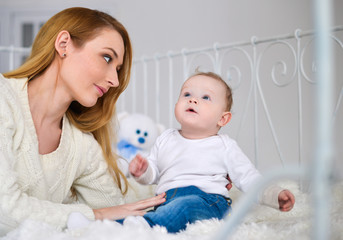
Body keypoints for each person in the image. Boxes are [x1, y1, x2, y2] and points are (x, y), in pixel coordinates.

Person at [0, 7, 166, 236]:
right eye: (107, 58)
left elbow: (117, 212)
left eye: (117, 69)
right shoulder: (3, 100)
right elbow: (4, 212)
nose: (115, 81)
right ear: (64, 44)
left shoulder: (82, 146)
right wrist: (93, 215)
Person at [128, 71, 295, 233]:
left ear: (222, 118)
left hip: (209, 202)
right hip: (166, 201)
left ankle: (144, 227)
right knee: (155, 212)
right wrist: (143, 171)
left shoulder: (224, 146)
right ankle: (121, 224)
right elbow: (154, 174)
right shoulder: (165, 138)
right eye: (187, 94)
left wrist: (274, 195)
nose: (192, 100)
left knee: (185, 207)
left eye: (205, 97)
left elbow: (248, 177)